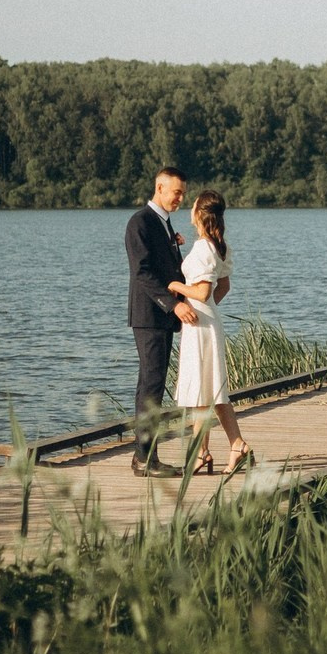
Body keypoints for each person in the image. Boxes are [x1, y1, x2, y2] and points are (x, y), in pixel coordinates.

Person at [168, 189, 254, 476]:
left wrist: (176, 287)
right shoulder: (219, 246)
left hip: (199, 323)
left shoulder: (205, 249)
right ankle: (217, 449)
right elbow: (223, 287)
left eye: (193, 206)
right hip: (207, 321)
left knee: (204, 390)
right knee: (209, 390)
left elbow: (203, 292)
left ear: (199, 214)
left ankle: (210, 451)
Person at [125, 167, 197, 477]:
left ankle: (143, 456)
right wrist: (173, 305)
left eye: (183, 193)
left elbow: (166, 268)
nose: (180, 197)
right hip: (150, 316)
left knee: (151, 386)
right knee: (151, 387)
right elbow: (142, 273)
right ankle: (145, 460)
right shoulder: (140, 222)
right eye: (176, 192)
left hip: (162, 317)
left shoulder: (163, 224)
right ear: (159, 187)